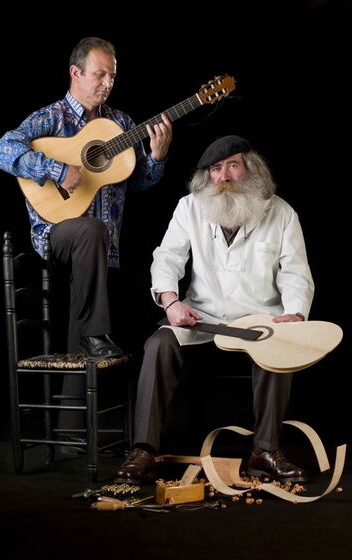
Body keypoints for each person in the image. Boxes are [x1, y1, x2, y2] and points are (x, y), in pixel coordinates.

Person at [115, 134, 314, 485]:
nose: (223, 176)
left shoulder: (281, 213)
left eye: (233, 165)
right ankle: (143, 450)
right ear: (206, 176)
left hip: (259, 319)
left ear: (250, 170)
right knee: (158, 345)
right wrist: (171, 302)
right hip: (202, 319)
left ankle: (264, 451)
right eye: (215, 169)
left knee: (278, 348)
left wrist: (294, 315)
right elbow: (167, 258)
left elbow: (296, 273)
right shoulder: (190, 207)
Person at [0, 36, 172, 359]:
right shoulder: (52, 118)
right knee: (91, 229)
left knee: (92, 252)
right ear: (75, 73)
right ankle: (94, 334)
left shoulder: (121, 125)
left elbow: (138, 181)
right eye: (99, 75)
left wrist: (157, 158)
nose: (107, 84)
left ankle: (75, 397)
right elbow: (3, 150)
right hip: (55, 232)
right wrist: (57, 171)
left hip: (104, 249)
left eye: (113, 77)